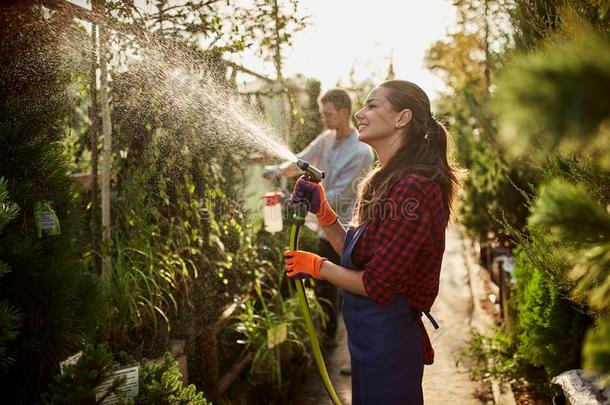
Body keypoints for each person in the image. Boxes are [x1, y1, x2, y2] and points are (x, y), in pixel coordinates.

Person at [284, 80, 459, 404]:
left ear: (402, 118)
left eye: (371, 106)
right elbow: (357, 254)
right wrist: (323, 212)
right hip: (367, 339)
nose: (360, 114)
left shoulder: (414, 187)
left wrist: (318, 267)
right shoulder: (383, 180)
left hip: (389, 340)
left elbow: (378, 284)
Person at [265, 88, 373, 341]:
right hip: (319, 223)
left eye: (328, 114)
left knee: (336, 285)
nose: (324, 118)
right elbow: (302, 161)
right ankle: (329, 334)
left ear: (344, 112)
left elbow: (335, 196)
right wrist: (277, 171)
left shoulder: (360, 152)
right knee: (322, 280)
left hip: (343, 227)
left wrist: (293, 200)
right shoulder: (326, 138)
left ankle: (333, 340)